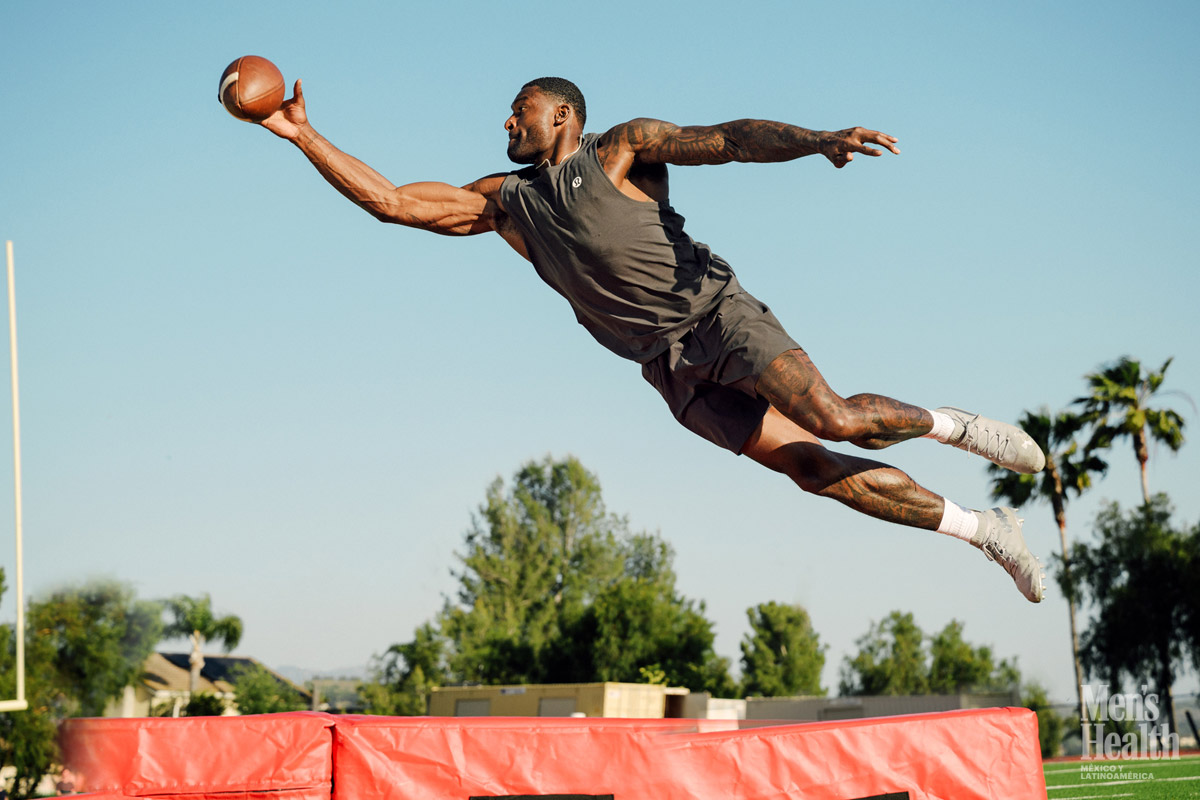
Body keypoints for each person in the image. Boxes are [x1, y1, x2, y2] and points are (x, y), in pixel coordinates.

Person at [255, 76, 1047, 603]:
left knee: (833, 419)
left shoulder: (621, 150)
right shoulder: (504, 203)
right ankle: (984, 531)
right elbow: (393, 202)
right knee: (814, 471)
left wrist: (813, 138)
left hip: (715, 315)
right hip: (665, 366)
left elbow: (728, 138)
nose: (506, 120)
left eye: (519, 108)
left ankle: (960, 427)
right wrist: (301, 135)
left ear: (560, 115)